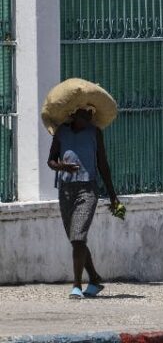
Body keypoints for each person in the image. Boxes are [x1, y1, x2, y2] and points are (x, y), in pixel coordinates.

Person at [47, 106, 121, 299]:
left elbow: (102, 163)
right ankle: (95, 278)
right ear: (74, 114)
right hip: (65, 190)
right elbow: (51, 161)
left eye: (91, 112)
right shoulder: (61, 131)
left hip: (88, 190)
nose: (89, 115)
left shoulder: (94, 132)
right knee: (75, 239)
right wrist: (62, 166)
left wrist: (113, 195)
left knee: (78, 237)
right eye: (85, 112)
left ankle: (77, 285)